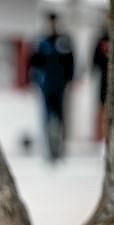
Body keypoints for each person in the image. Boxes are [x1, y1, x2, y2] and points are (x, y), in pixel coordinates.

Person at [29, 12, 75, 160]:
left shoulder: (64, 41)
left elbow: (71, 62)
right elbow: (33, 62)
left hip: (60, 85)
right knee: (47, 116)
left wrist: (69, 80)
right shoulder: (41, 41)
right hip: (45, 85)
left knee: (61, 116)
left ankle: (60, 147)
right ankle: (48, 148)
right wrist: (35, 80)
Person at [91, 26, 109, 142]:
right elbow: (94, 61)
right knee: (102, 104)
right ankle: (100, 134)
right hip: (103, 77)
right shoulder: (101, 39)